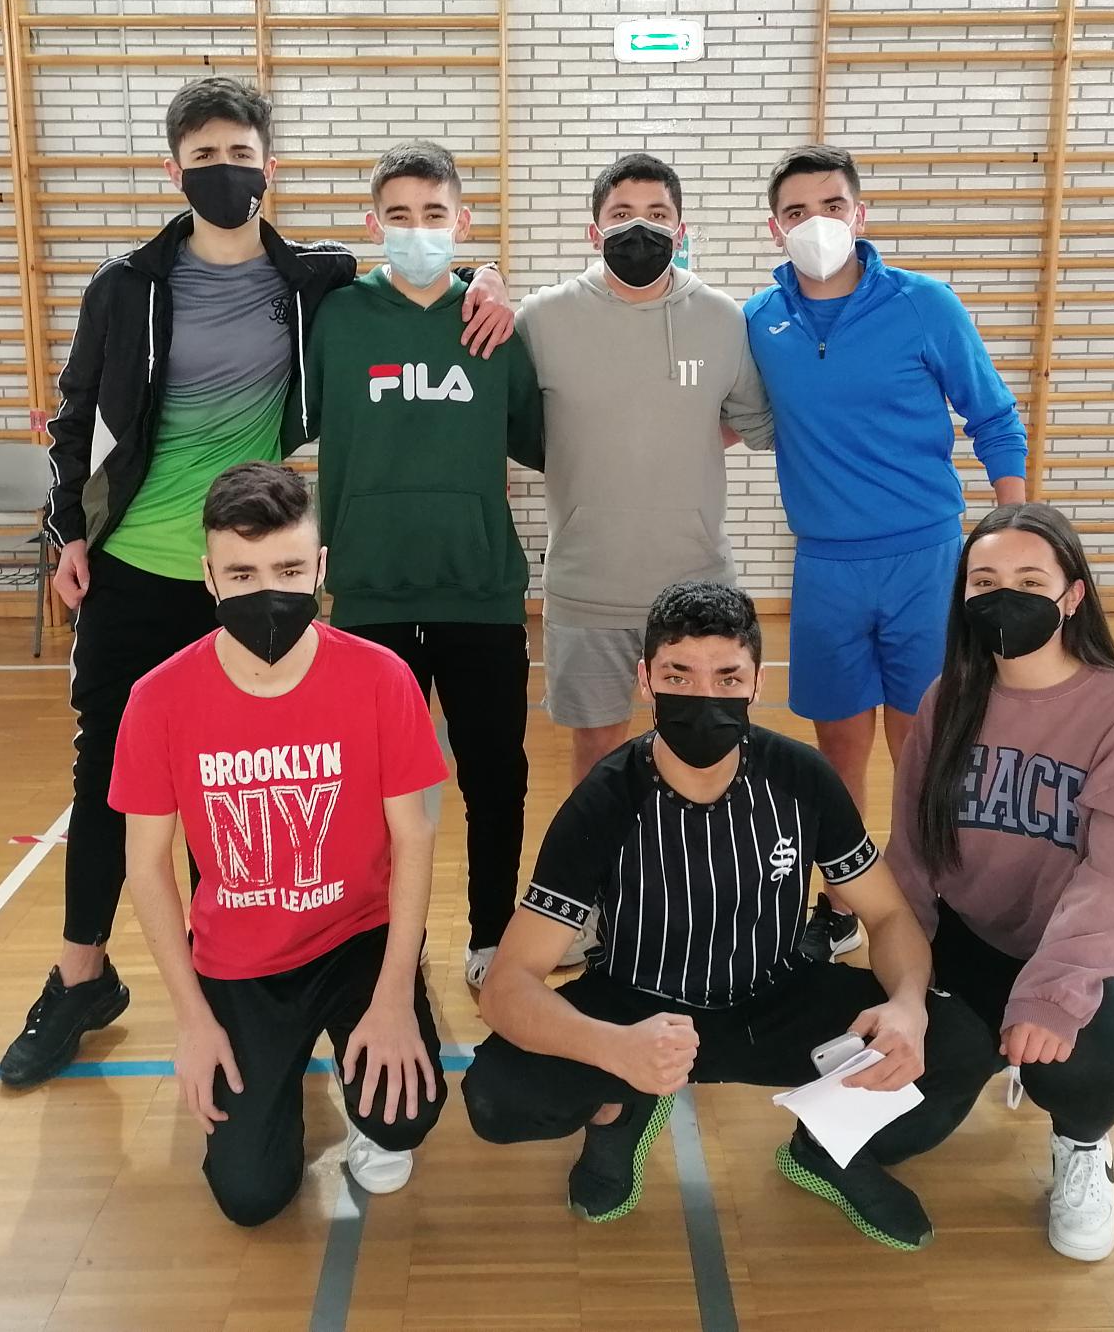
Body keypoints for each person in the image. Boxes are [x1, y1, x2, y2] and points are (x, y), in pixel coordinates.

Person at [0, 78, 511, 1088]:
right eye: (203, 156)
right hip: (138, 564)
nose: (223, 171)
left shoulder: (308, 276)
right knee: (108, 780)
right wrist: (69, 532)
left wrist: (487, 277)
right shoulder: (127, 286)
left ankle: (235, 971)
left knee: (237, 785)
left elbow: (415, 270)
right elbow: (73, 417)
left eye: (239, 154)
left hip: (247, 574)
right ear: (174, 170)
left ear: (268, 168)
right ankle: (79, 977)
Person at [463, 581, 994, 1251]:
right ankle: (617, 1110)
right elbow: (508, 985)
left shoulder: (802, 778)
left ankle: (826, 1149)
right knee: (497, 1097)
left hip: (775, 997)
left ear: (756, 683)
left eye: (727, 678)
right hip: (637, 1006)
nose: (703, 696)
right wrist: (613, 1049)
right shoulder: (604, 800)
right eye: (678, 675)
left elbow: (887, 915)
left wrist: (908, 1004)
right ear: (645, 680)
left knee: (959, 1045)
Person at [109, 461, 451, 1224]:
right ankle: (280, 1076)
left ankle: (359, 1081)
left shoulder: (382, 678)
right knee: (252, 1196)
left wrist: (394, 995)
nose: (269, 591)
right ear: (210, 578)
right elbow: (146, 865)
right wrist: (193, 1020)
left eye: (289, 570)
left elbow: (415, 836)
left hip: (356, 935)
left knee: (404, 1113)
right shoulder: (158, 699)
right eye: (243, 573)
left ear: (320, 569)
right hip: (240, 960)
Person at [886, 502, 1114, 1263]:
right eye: (984, 582)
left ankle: (1084, 1144)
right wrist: (902, 987)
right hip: (973, 944)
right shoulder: (947, 699)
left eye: (1028, 580)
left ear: (1071, 596)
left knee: (1072, 1056)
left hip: (1089, 959)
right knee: (880, 1132)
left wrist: (1050, 994)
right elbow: (910, 855)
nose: (1003, 597)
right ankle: (981, 1048)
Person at [304, 140, 545, 989]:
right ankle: (386, 946)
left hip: (478, 591)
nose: (417, 229)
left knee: (495, 779)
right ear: (373, 224)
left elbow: (541, 439)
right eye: (399, 215)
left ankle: (490, 939)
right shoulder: (338, 319)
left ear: (462, 221)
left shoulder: (492, 323)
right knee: (375, 790)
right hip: (368, 592)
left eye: (434, 214)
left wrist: (493, 283)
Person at [743, 145, 1027, 814]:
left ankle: (925, 877)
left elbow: (994, 416)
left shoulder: (925, 303)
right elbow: (736, 417)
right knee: (837, 757)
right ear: (775, 228)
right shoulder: (758, 320)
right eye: (796, 211)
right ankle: (847, 883)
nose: (816, 221)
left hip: (924, 561)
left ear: (860, 214)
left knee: (923, 748)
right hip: (825, 568)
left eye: (832, 205)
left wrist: (1016, 531)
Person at [516, 153, 774, 788]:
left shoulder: (721, 317)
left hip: (698, 581)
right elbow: (518, 426)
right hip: (586, 584)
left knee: (703, 747)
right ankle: (601, 859)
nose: (641, 228)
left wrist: (678, 433)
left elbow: (749, 419)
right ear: (594, 230)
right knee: (596, 753)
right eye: (622, 214)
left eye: (658, 214)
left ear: (680, 230)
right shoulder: (542, 318)